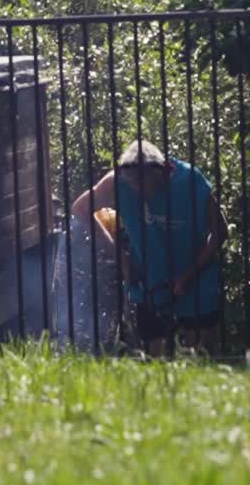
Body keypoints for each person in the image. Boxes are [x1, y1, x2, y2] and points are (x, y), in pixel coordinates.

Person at [71, 140, 227, 356]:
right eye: (132, 185)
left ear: (163, 171)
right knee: (155, 362)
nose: (138, 190)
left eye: (143, 183)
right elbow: (81, 209)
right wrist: (122, 259)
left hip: (197, 280)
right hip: (149, 283)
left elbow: (220, 231)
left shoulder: (191, 180)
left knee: (202, 358)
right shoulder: (117, 182)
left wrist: (189, 274)